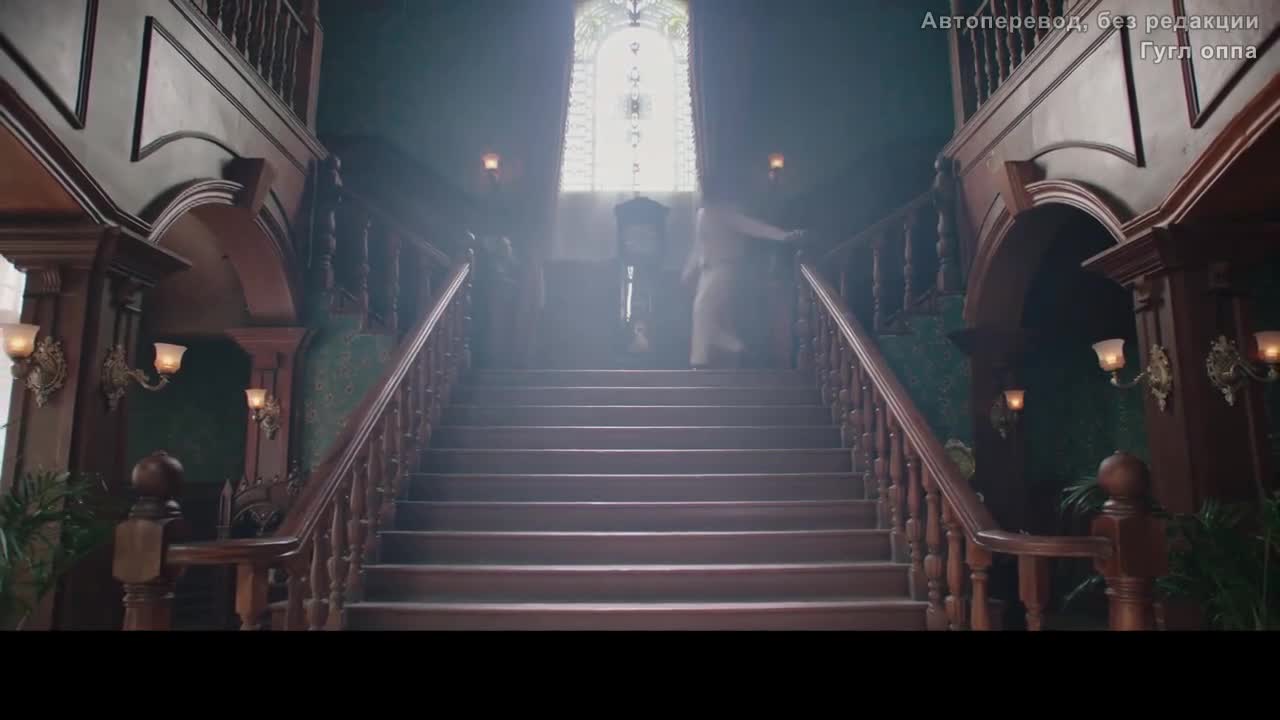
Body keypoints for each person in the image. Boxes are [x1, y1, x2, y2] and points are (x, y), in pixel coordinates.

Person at [682, 176, 805, 369]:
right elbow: (698, 246)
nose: (698, 191)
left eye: (700, 187)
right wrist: (688, 270)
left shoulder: (724, 212)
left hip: (723, 268)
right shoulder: (702, 214)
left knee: (701, 312)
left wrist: (783, 236)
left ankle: (699, 362)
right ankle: (738, 349)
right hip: (706, 271)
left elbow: (753, 227)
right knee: (702, 318)